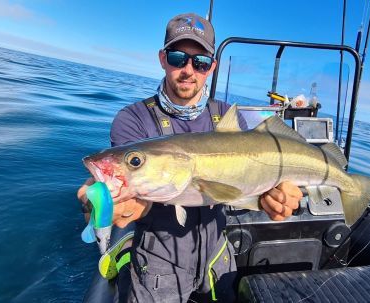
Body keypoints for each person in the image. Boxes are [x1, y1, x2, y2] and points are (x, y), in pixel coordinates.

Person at [77, 13, 302, 303]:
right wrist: (99, 203)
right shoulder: (133, 120)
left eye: (201, 62)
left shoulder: (231, 119)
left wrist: (272, 198)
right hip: (158, 262)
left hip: (218, 256)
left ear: (211, 67)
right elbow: (132, 196)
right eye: (177, 57)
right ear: (162, 58)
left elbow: (244, 186)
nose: (188, 70)